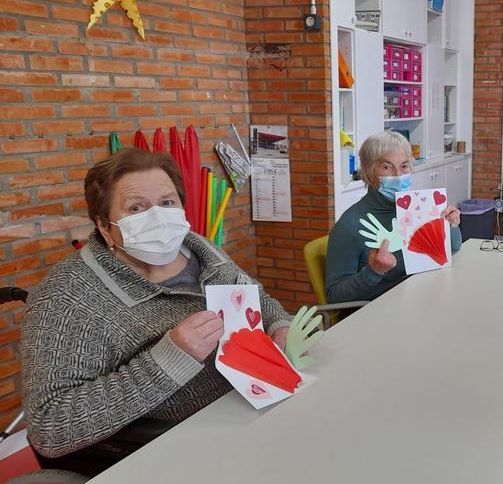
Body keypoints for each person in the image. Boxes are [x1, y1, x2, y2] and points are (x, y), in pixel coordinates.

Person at [21, 149, 306, 477]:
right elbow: (49, 428)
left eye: (167, 202)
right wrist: (167, 359)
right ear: (103, 225)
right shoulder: (67, 298)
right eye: (137, 207)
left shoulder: (198, 248)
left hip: (256, 407)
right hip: (181, 449)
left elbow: (254, 295)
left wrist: (278, 324)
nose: (158, 218)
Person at [325, 131, 462, 303]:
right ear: (369, 173)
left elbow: (453, 247)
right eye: (387, 167)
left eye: (404, 166)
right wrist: (374, 271)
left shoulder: (418, 208)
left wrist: (451, 226)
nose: (398, 175)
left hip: (419, 298)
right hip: (375, 314)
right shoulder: (350, 225)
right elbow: (334, 296)